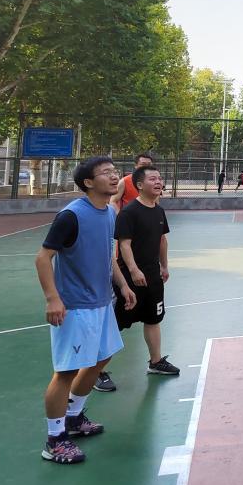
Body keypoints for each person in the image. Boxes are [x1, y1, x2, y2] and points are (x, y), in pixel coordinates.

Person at [35, 156, 137, 464]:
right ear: (89, 182)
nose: (114, 176)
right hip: (76, 307)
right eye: (106, 173)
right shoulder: (71, 216)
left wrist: (122, 284)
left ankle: (74, 417)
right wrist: (53, 299)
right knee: (66, 371)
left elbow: (107, 256)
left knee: (101, 359)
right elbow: (43, 258)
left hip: (102, 302)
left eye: (114, 171)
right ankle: (54, 440)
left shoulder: (109, 212)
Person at [102, 165, 180, 381]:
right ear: (139, 185)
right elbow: (124, 244)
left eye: (160, 178)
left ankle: (156, 362)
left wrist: (164, 266)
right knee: (116, 324)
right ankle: (95, 371)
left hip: (153, 276)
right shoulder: (129, 212)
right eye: (152, 179)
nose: (158, 182)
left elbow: (162, 240)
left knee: (153, 318)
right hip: (129, 278)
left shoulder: (159, 211)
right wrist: (134, 270)